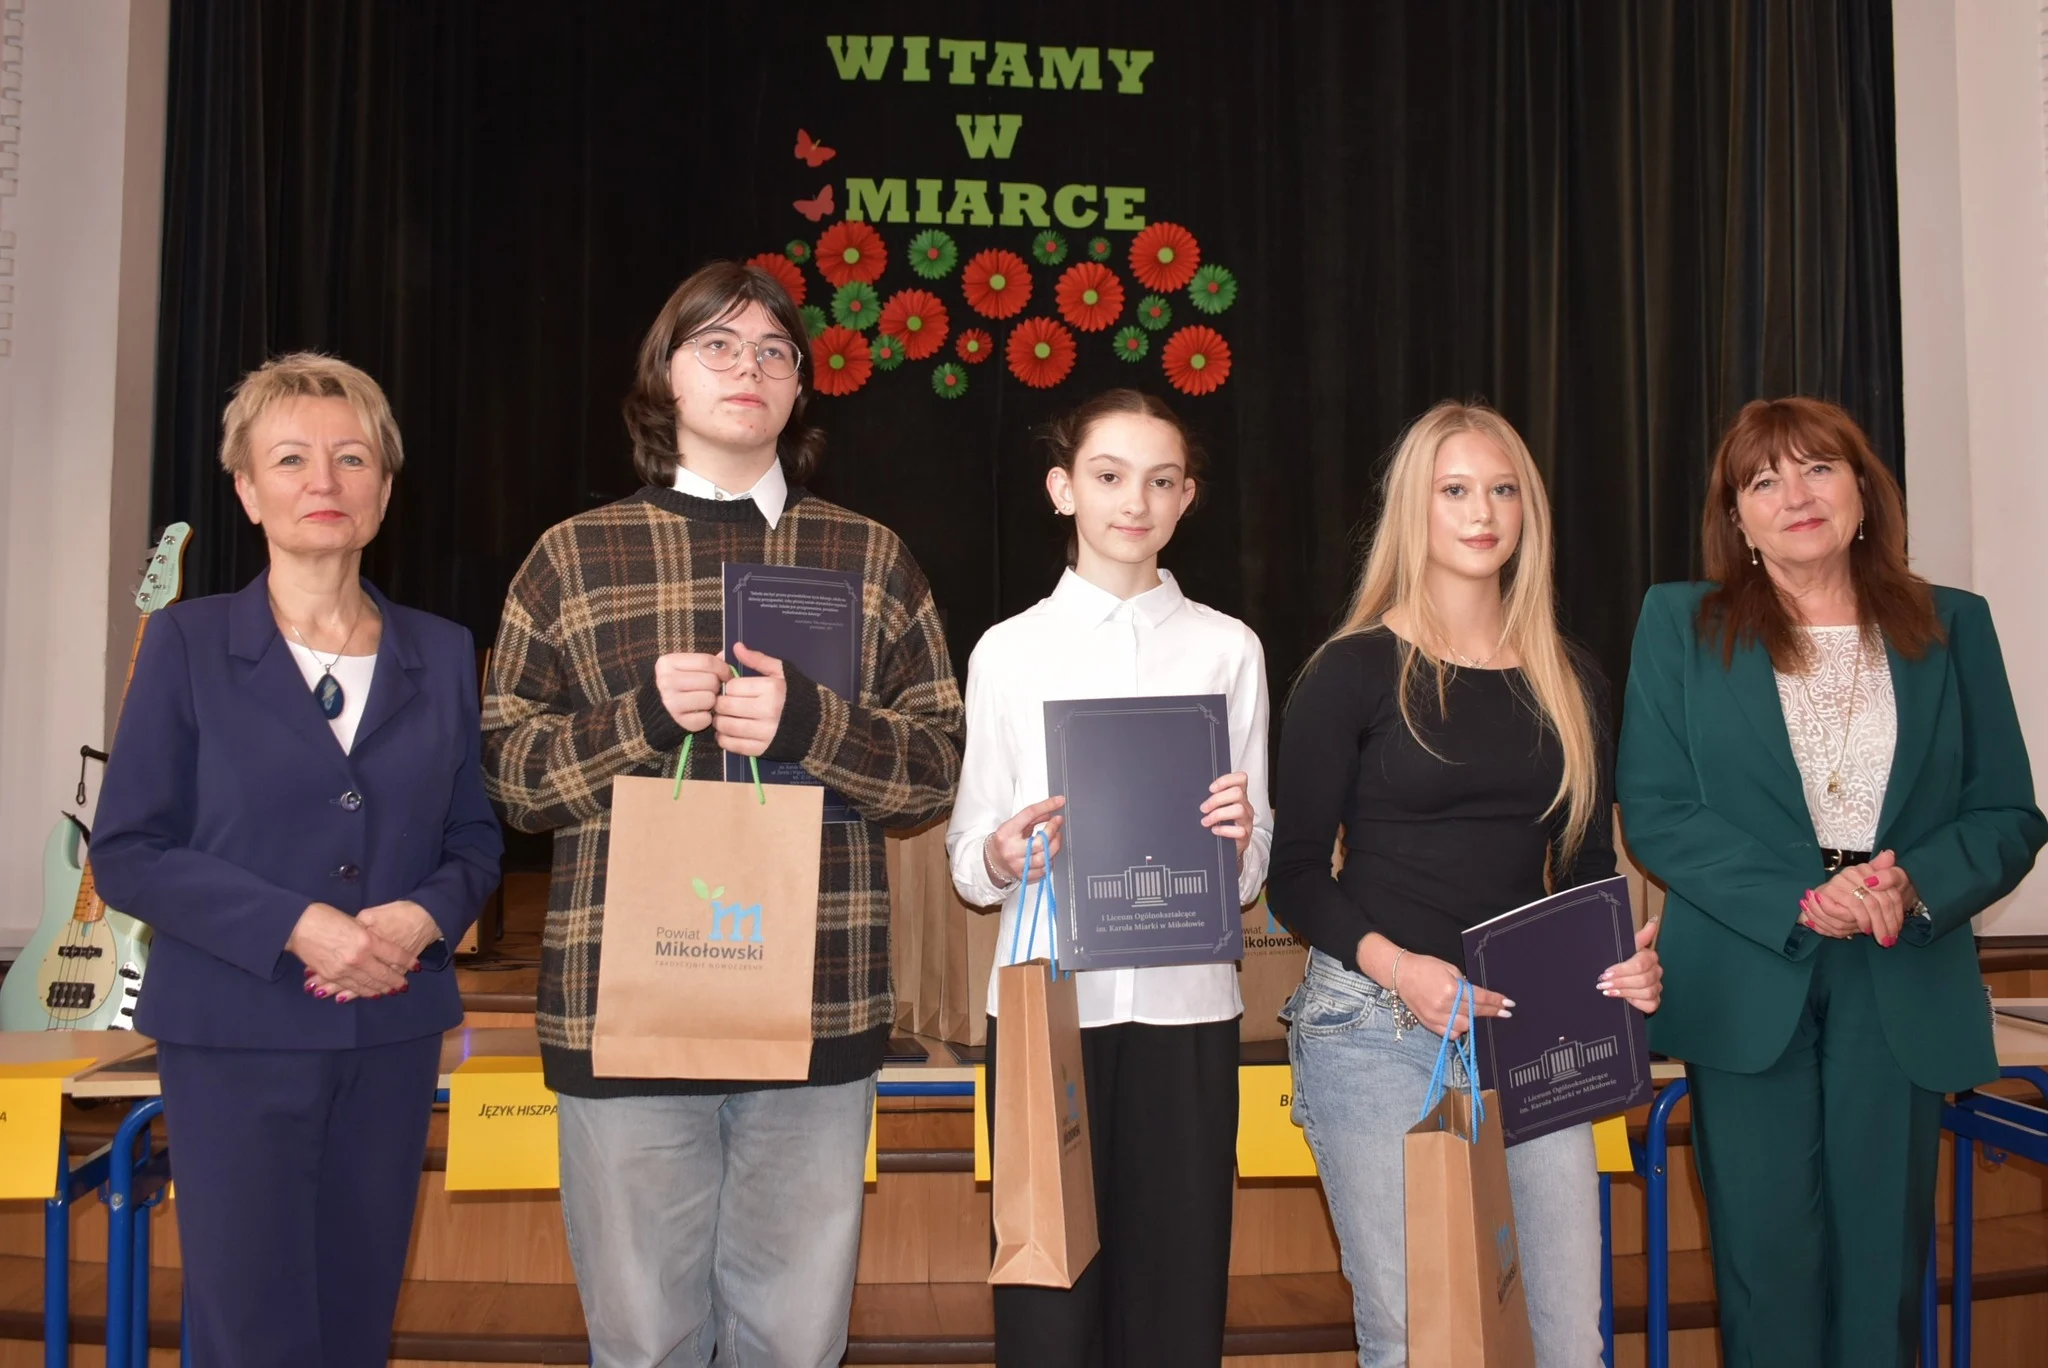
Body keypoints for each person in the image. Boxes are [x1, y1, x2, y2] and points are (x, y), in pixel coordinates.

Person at [482, 260, 964, 1367]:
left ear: (799, 390)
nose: (747, 368)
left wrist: (811, 727)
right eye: (717, 345)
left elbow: (933, 771)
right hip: (626, 1007)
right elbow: (509, 777)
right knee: (644, 1345)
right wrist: (640, 720)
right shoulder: (572, 556)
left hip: (818, 1003)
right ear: (665, 377)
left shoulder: (868, 556)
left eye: (773, 352)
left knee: (795, 1346)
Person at [89, 353, 502, 1363]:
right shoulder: (185, 644)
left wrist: (424, 917)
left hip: (392, 1032)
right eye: (291, 458)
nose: (324, 481)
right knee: (251, 1327)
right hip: (235, 1034)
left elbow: (474, 838)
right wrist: (295, 925)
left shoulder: (442, 652)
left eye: (351, 457)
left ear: (384, 489)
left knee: (357, 1319)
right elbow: (129, 851)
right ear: (247, 488)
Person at [1615, 396, 2045, 1366]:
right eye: (1760, 480)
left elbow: (2007, 814)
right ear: (1734, 517)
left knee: (1881, 1272)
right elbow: (1658, 811)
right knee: (1764, 1267)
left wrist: (1910, 886)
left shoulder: (1951, 625)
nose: (1792, 494)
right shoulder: (1679, 624)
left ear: (1862, 490)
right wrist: (1801, 897)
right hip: (1744, 969)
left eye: (1816, 468)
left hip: (1897, 968)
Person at [1265, 400, 1661, 1368]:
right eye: (1453, 491)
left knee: (1568, 1339)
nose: (1480, 512)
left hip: (1530, 1035)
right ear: (1415, 509)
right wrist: (1400, 968)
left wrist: (1622, 973)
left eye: (1500, 489)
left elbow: (1578, 875)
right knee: (1416, 1340)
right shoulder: (1349, 672)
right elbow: (1293, 879)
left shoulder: (1571, 677)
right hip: (1372, 1028)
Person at [945, 388, 1272, 1367]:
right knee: (1047, 1293)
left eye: (1160, 480)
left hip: (1186, 1012)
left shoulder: (1228, 649)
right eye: (1108, 475)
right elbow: (967, 860)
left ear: (1185, 500)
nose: (1135, 501)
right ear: (1061, 489)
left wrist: (1238, 834)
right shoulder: (1007, 652)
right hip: (1048, 1009)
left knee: (1175, 1296)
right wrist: (1002, 852)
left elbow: (1250, 871)